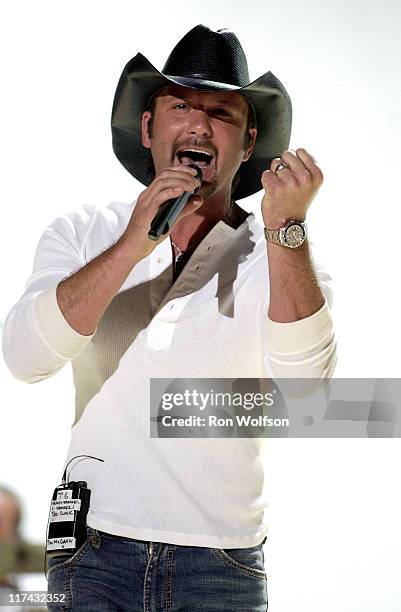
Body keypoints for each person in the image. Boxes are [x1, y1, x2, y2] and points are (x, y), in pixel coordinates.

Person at [2, 25, 336, 611]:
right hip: (91, 552)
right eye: (180, 105)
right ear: (151, 128)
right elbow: (26, 360)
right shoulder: (84, 233)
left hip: (222, 562)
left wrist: (287, 231)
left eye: (221, 112)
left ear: (248, 139)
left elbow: (307, 392)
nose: (199, 125)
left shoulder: (282, 252)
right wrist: (134, 243)